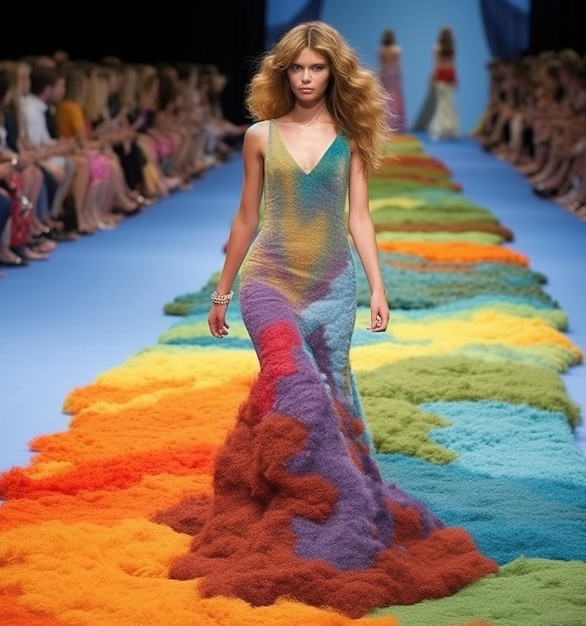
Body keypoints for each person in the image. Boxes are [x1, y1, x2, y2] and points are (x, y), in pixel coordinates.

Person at [159, 20, 497, 618]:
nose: (308, 78)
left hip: (333, 283)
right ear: (283, 72)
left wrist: (377, 286)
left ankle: (316, 500)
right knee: (294, 385)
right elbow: (245, 218)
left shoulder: (352, 136)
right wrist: (221, 291)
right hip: (268, 279)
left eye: (317, 68)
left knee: (330, 390)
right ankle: (309, 501)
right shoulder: (260, 135)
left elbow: (359, 217)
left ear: (333, 73)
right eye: (298, 68)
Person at [427, 26, 460, 140]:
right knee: (449, 104)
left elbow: (435, 65)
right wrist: (456, 79)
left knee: (441, 104)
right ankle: (451, 130)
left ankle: (438, 130)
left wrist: (433, 79)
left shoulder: (437, 48)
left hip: (441, 75)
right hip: (450, 75)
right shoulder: (452, 49)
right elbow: (453, 65)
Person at [377, 28, 406, 133]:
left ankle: (386, 124)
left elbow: (381, 64)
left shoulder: (381, 50)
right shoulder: (397, 49)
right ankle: (398, 124)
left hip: (384, 73)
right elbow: (398, 64)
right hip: (394, 73)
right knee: (396, 98)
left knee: (385, 98)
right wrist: (400, 76)